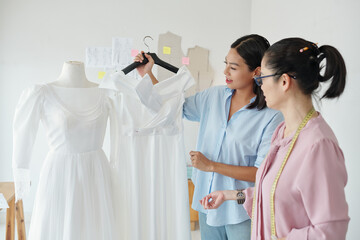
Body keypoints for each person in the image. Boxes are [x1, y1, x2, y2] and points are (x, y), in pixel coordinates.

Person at [135, 34, 283, 240]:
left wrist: (211, 165)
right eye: (226, 64)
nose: (225, 71)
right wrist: (147, 76)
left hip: (240, 211)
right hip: (206, 204)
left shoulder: (272, 116)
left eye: (233, 67)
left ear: (255, 72)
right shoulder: (213, 97)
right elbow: (173, 108)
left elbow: (261, 173)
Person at [200, 38, 350, 240]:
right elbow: (275, 193)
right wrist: (230, 195)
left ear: (285, 82)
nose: (259, 85)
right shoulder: (282, 132)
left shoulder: (318, 145)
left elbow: (330, 230)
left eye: (263, 78)